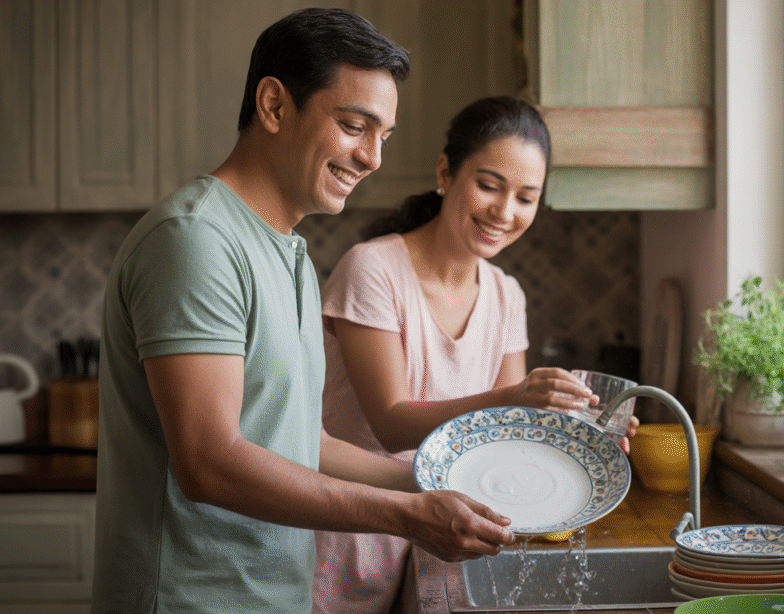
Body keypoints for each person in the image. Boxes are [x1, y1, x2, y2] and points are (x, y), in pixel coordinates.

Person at [91, 9, 514, 614]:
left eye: (383, 137)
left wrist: (444, 484)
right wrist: (407, 517)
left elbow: (300, 442)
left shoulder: (288, 252)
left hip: (271, 597)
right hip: (188, 599)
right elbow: (209, 463)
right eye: (353, 126)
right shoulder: (195, 240)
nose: (371, 157)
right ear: (273, 105)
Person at [311, 96, 638, 613]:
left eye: (526, 197)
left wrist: (583, 436)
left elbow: (512, 436)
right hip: (350, 536)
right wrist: (515, 395)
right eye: (489, 185)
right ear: (446, 172)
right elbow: (390, 425)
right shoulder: (372, 271)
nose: (504, 213)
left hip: (444, 541)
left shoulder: (506, 294)